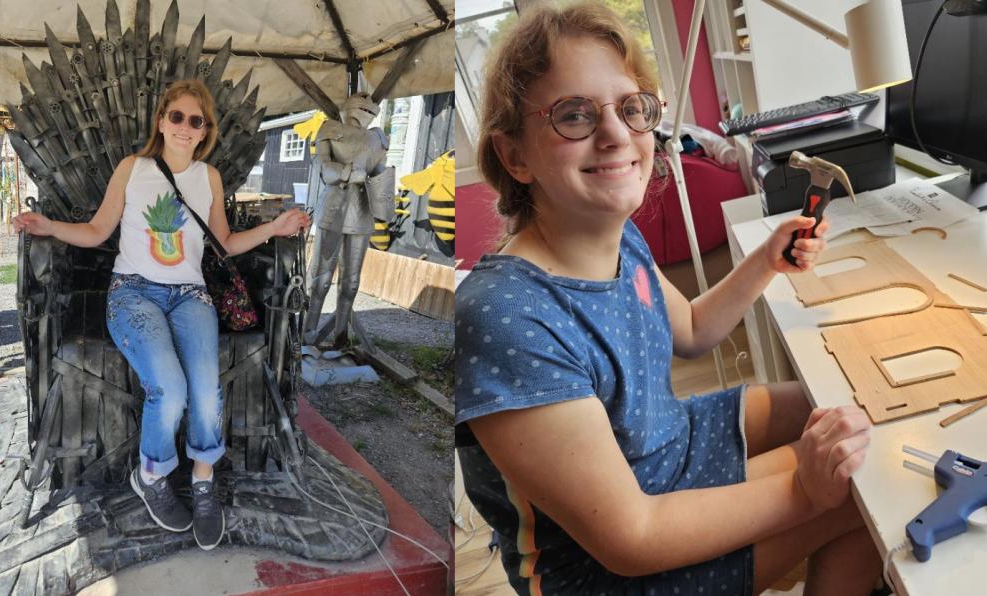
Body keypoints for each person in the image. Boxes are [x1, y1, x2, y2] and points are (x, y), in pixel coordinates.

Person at [455, 3, 881, 595]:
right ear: (514, 155)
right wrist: (805, 493)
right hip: (604, 567)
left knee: (831, 403)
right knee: (863, 493)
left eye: (631, 108)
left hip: (666, 448)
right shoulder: (506, 317)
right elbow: (633, 539)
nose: (615, 135)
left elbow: (694, 331)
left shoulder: (616, 235)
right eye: (573, 115)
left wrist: (765, 261)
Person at [13, 79, 310, 550]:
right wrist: (47, 226)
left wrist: (277, 227)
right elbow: (97, 231)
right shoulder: (133, 169)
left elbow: (226, 244)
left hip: (190, 294)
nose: (186, 128)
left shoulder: (208, 177)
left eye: (197, 121)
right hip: (133, 293)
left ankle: (203, 481)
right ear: (161, 121)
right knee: (168, 390)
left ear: (205, 130)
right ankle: (150, 476)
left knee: (207, 391)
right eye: (178, 117)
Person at [303, 92, 391, 348]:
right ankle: (306, 336)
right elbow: (322, 167)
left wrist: (382, 190)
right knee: (320, 279)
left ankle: (341, 337)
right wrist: (348, 172)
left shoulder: (377, 138)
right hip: (334, 209)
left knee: (351, 283)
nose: (367, 108)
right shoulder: (329, 129)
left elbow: (380, 174)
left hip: (362, 211)